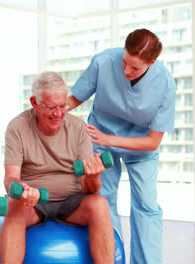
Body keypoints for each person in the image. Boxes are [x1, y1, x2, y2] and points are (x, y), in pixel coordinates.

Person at [67, 28, 176, 264]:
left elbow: (153, 141)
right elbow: (75, 98)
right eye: (125, 62)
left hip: (141, 145)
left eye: (135, 68)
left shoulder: (165, 83)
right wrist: (52, 111)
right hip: (100, 137)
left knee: (146, 205)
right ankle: (112, 258)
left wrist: (110, 139)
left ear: (152, 62)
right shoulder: (104, 61)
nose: (126, 71)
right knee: (103, 198)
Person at [0, 71, 115, 264]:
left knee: (99, 203)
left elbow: (89, 190)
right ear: (34, 103)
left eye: (63, 106)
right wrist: (23, 192)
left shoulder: (78, 129)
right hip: (33, 203)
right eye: (51, 107)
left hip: (72, 202)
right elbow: (10, 178)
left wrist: (93, 177)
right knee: (14, 206)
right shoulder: (17, 127)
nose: (58, 113)